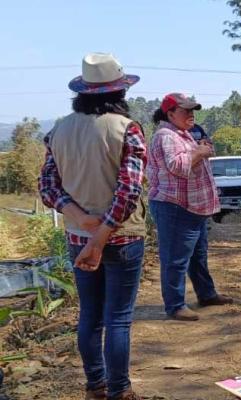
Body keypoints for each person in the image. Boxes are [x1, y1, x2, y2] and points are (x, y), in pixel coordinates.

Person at [39, 53, 145, 400]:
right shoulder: (126, 129)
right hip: (121, 238)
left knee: (90, 316)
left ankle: (95, 386)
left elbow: (48, 188)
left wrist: (82, 219)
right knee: (117, 319)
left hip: (77, 237)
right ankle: (120, 390)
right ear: (120, 94)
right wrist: (100, 237)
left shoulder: (58, 131)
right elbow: (129, 191)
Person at [147, 93, 233, 322]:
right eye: (186, 111)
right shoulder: (166, 136)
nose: (191, 114)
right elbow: (176, 165)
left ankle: (206, 294)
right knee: (175, 258)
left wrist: (200, 148)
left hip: (192, 206)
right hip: (175, 206)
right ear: (170, 113)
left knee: (197, 255)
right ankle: (175, 305)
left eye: (192, 110)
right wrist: (200, 152)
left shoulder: (181, 134)